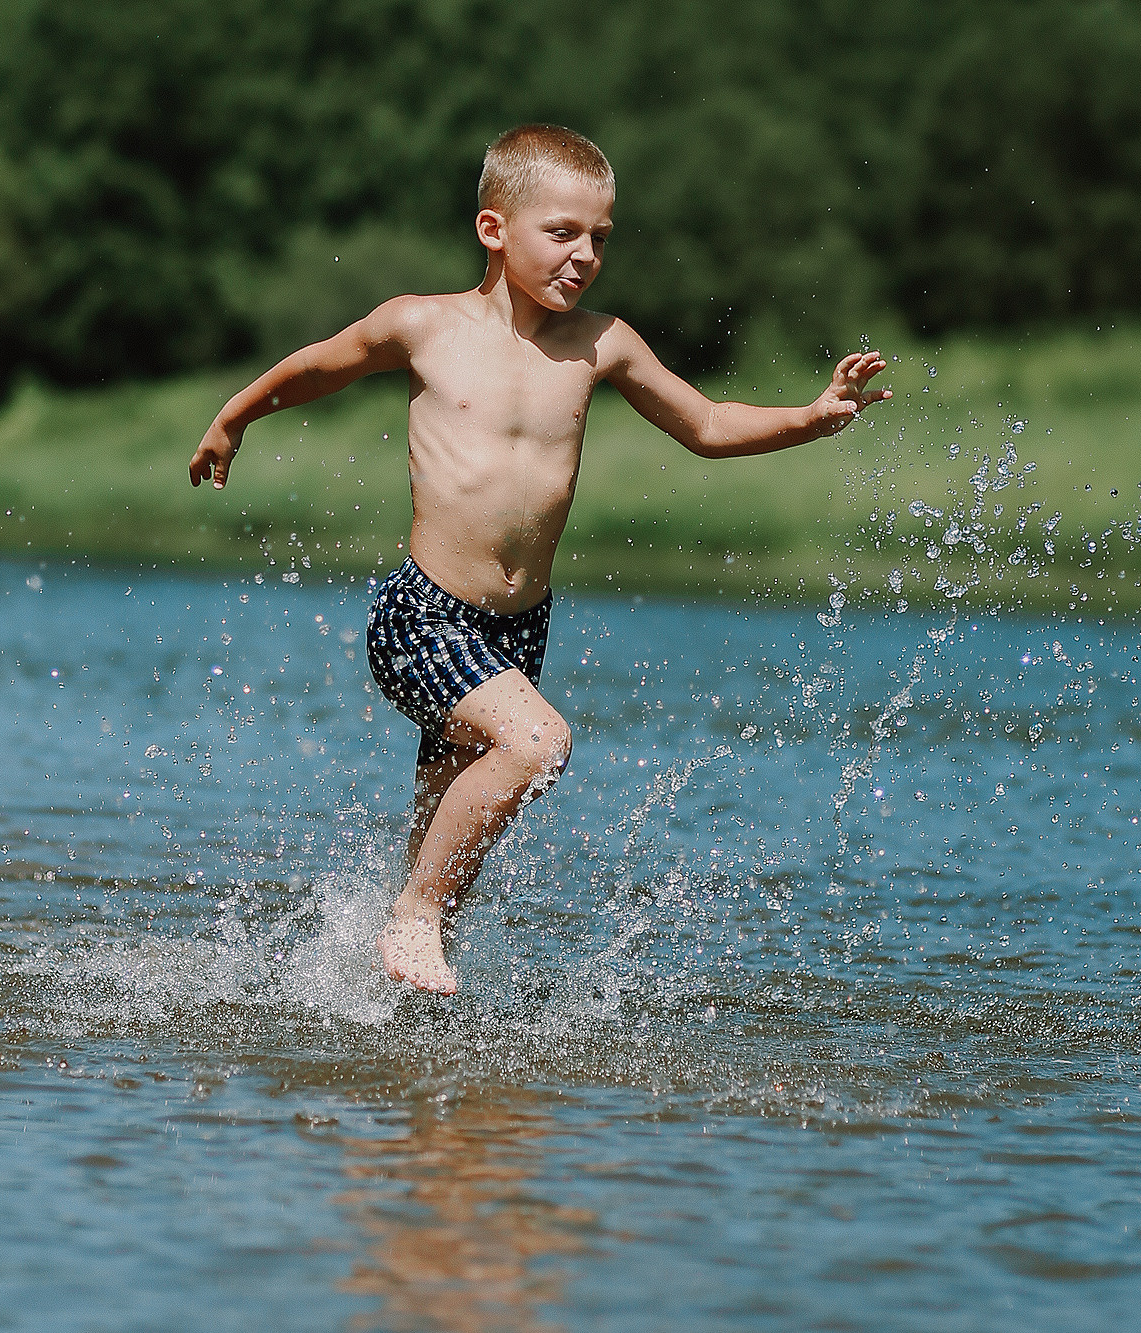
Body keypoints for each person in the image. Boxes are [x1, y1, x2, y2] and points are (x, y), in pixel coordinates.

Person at [189, 124, 889, 994]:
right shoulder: (423, 325)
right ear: (494, 229)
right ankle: (410, 917)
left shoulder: (604, 341)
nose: (584, 254)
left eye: (600, 236)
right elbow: (316, 368)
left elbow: (706, 423)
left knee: (448, 850)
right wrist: (234, 417)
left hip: (518, 630)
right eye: (562, 232)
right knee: (538, 743)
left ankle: (376, 995)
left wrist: (810, 416)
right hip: (423, 617)